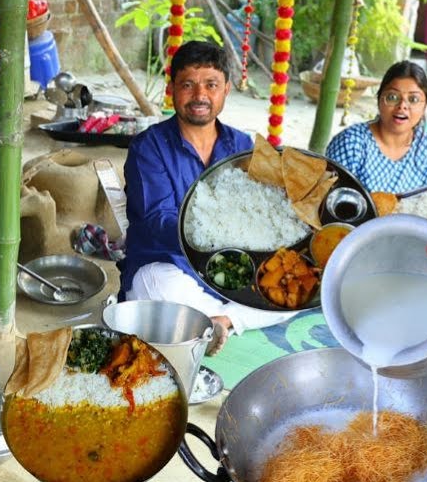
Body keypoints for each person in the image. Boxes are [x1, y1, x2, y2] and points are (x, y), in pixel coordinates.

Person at [119, 40, 297, 353]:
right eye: (188, 85)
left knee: (293, 288)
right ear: (172, 88)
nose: (200, 96)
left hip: (234, 269)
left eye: (211, 85)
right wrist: (221, 241)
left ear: (226, 88)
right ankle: (228, 316)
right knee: (157, 283)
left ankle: (222, 321)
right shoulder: (148, 146)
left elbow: (264, 208)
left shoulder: (242, 144)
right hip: (171, 266)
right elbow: (157, 220)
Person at [325, 60, 427, 194]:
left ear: (425, 106)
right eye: (392, 97)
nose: (402, 106)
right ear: (379, 99)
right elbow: (331, 201)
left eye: (413, 99)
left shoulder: (425, 146)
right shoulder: (351, 143)